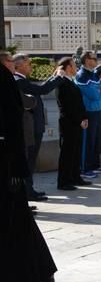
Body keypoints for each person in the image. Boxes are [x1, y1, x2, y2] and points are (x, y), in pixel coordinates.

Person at [0, 51, 57, 282]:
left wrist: (16, 165)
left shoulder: (4, 80)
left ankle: (38, 272)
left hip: (5, 162)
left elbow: (11, 122)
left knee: (16, 220)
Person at [13, 53, 63, 201]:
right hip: (30, 128)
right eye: (28, 63)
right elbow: (42, 90)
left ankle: (30, 189)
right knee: (29, 160)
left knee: (31, 160)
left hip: (34, 126)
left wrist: (53, 77)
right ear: (18, 65)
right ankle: (28, 192)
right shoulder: (18, 81)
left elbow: (40, 88)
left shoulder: (22, 80)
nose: (31, 66)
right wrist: (58, 77)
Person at [55, 57, 91, 191]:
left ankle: (75, 177)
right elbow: (67, 106)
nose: (76, 67)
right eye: (74, 65)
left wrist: (85, 117)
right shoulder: (62, 83)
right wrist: (79, 120)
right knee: (67, 153)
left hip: (78, 122)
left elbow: (79, 103)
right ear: (68, 67)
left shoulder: (71, 81)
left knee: (76, 152)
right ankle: (64, 181)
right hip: (69, 123)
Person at [75, 50, 101, 179]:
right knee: (88, 141)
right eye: (93, 58)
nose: (96, 61)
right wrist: (99, 89)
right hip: (88, 112)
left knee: (96, 140)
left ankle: (95, 165)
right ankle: (84, 168)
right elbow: (93, 95)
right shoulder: (81, 75)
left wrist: (99, 90)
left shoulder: (95, 75)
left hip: (97, 111)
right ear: (86, 60)